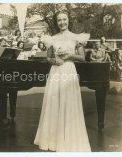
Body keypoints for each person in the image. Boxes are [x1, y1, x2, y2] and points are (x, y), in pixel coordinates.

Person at [34, 10, 91, 152]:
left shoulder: (76, 37)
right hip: (55, 71)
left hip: (69, 71)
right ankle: (53, 140)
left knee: (68, 102)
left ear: (68, 20)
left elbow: (83, 57)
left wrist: (68, 56)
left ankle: (68, 139)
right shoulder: (51, 38)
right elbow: (48, 58)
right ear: (57, 22)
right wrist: (54, 60)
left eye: (64, 19)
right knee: (54, 103)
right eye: (59, 20)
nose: (62, 23)